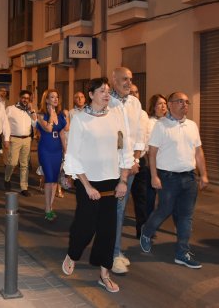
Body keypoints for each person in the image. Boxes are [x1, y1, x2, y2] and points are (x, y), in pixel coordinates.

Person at [62, 77, 133, 293]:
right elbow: (73, 156)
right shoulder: (81, 120)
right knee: (85, 228)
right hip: (88, 182)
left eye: (108, 91)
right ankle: (73, 254)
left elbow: (123, 149)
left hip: (112, 182)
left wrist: (123, 180)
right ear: (90, 94)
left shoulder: (116, 118)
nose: (106, 94)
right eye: (101, 90)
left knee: (108, 232)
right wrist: (87, 186)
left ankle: (104, 274)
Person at [140, 91, 209, 269]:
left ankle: (182, 253)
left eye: (187, 102)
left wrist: (204, 174)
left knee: (186, 216)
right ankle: (146, 232)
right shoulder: (161, 126)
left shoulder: (192, 126)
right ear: (170, 105)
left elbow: (198, 152)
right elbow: (152, 153)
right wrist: (154, 176)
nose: (185, 104)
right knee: (164, 210)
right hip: (167, 177)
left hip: (189, 177)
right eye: (180, 101)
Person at [108, 68, 144, 274]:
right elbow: (115, 136)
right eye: (124, 79)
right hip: (112, 166)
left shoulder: (135, 103)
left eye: (131, 79)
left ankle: (114, 250)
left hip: (130, 166)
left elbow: (139, 134)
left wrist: (136, 159)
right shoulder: (107, 102)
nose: (128, 83)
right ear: (114, 80)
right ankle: (112, 254)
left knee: (119, 210)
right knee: (115, 210)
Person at [132, 93, 167, 239]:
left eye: (165, 103)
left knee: (162, 200)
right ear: (153, 107)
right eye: (160, 104)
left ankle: (150, 225)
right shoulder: (150, 122)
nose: (163, 106)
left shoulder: (168, 122)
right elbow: (146, 143)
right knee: (147, 199)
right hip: (150, 165)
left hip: (165, 166)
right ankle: (144, 228)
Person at [36, 89, 69, 221]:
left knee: (54, 180)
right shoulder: (41, 115)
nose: (55, 99)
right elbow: (49, 129)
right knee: (49, 178)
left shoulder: (60, 115)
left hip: (57, 150)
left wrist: (65, 150)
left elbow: (62, 132)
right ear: (47, 100)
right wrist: (50, 114)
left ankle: (51, 206)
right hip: (45, 149)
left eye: (57, 97)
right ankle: (47, 208)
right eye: (52, 97)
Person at [4, 90, 37, 197]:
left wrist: (32, 111)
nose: (25, 100)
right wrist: (6, 138)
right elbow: (4, 124)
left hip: (27, 139)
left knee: (24, 164)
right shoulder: (11, 109)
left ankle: (24, 187)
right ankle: (7, 178)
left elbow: (35, 124)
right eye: (23, 97)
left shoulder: (31, 111)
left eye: (27, 98)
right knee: (12, 162)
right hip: (14, 139)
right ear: (19, 97)